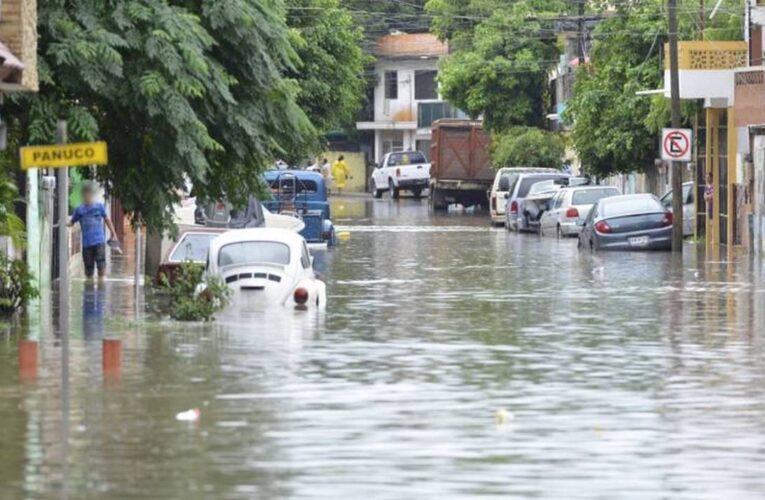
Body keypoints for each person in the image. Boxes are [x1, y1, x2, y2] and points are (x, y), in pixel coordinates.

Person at [69, 182, 117, 280]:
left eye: (89, 194)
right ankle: (89, 288)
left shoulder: (99, 207)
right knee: (89, 270)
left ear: (92, 195)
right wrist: (63, 223)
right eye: (85, 194)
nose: (87, 196)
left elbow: (107, 219)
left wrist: (113, 233)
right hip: (87, 244)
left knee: (101, 265)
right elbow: (72, 222)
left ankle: (101, 285)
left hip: (99, 242)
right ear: (83, 195)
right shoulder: (79, 209)